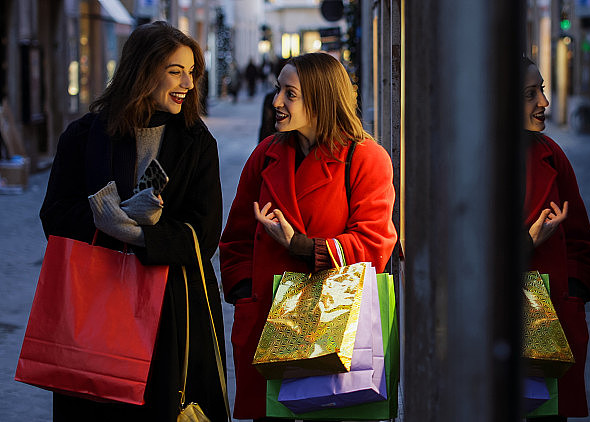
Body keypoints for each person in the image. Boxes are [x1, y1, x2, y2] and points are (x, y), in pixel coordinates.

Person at [39, 21, 227, 421]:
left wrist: (136, 232)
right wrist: (102, 221)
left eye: (192, 72)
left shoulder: (196, 141)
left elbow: (205, 235)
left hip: (170, 312)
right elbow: (54, 216)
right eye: (176, 71)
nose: (188, 84)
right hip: (95, 307)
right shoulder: (83, 136)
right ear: (143, 71)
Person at [219, 52, 397, 421]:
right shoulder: (265, 156)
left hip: (335, 327)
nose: (276, 102)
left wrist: (301, 246)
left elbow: (375, 243)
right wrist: (244, 293)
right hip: (267, 322)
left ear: (321, 99)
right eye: (278, 91)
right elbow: (235, 237)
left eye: (290, 93)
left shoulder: (365, 158)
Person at [521, 58, 590, 421]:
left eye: (543, 90)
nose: (544, 103)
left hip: (553, 325)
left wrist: (573, 294)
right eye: (529, 94)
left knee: (549, 414)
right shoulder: (471, 163)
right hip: (494, 323)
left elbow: (582, 239)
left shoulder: (552, 154)